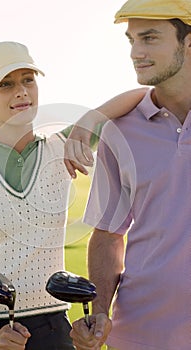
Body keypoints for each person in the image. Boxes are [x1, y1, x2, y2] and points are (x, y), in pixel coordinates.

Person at [0, 41, 146, 350]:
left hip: (51, 331)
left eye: (28, 80)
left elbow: (141, 95)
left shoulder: (64, 148)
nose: (21, 91)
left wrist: (87, 122)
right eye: (6, 84)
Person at [68, 1, 191, 349]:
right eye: (132, 40)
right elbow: (107, 235)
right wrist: (101, 311)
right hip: (139, 332)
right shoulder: (119, 132)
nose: (136, 52)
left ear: (189, 42)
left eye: (150, 38)